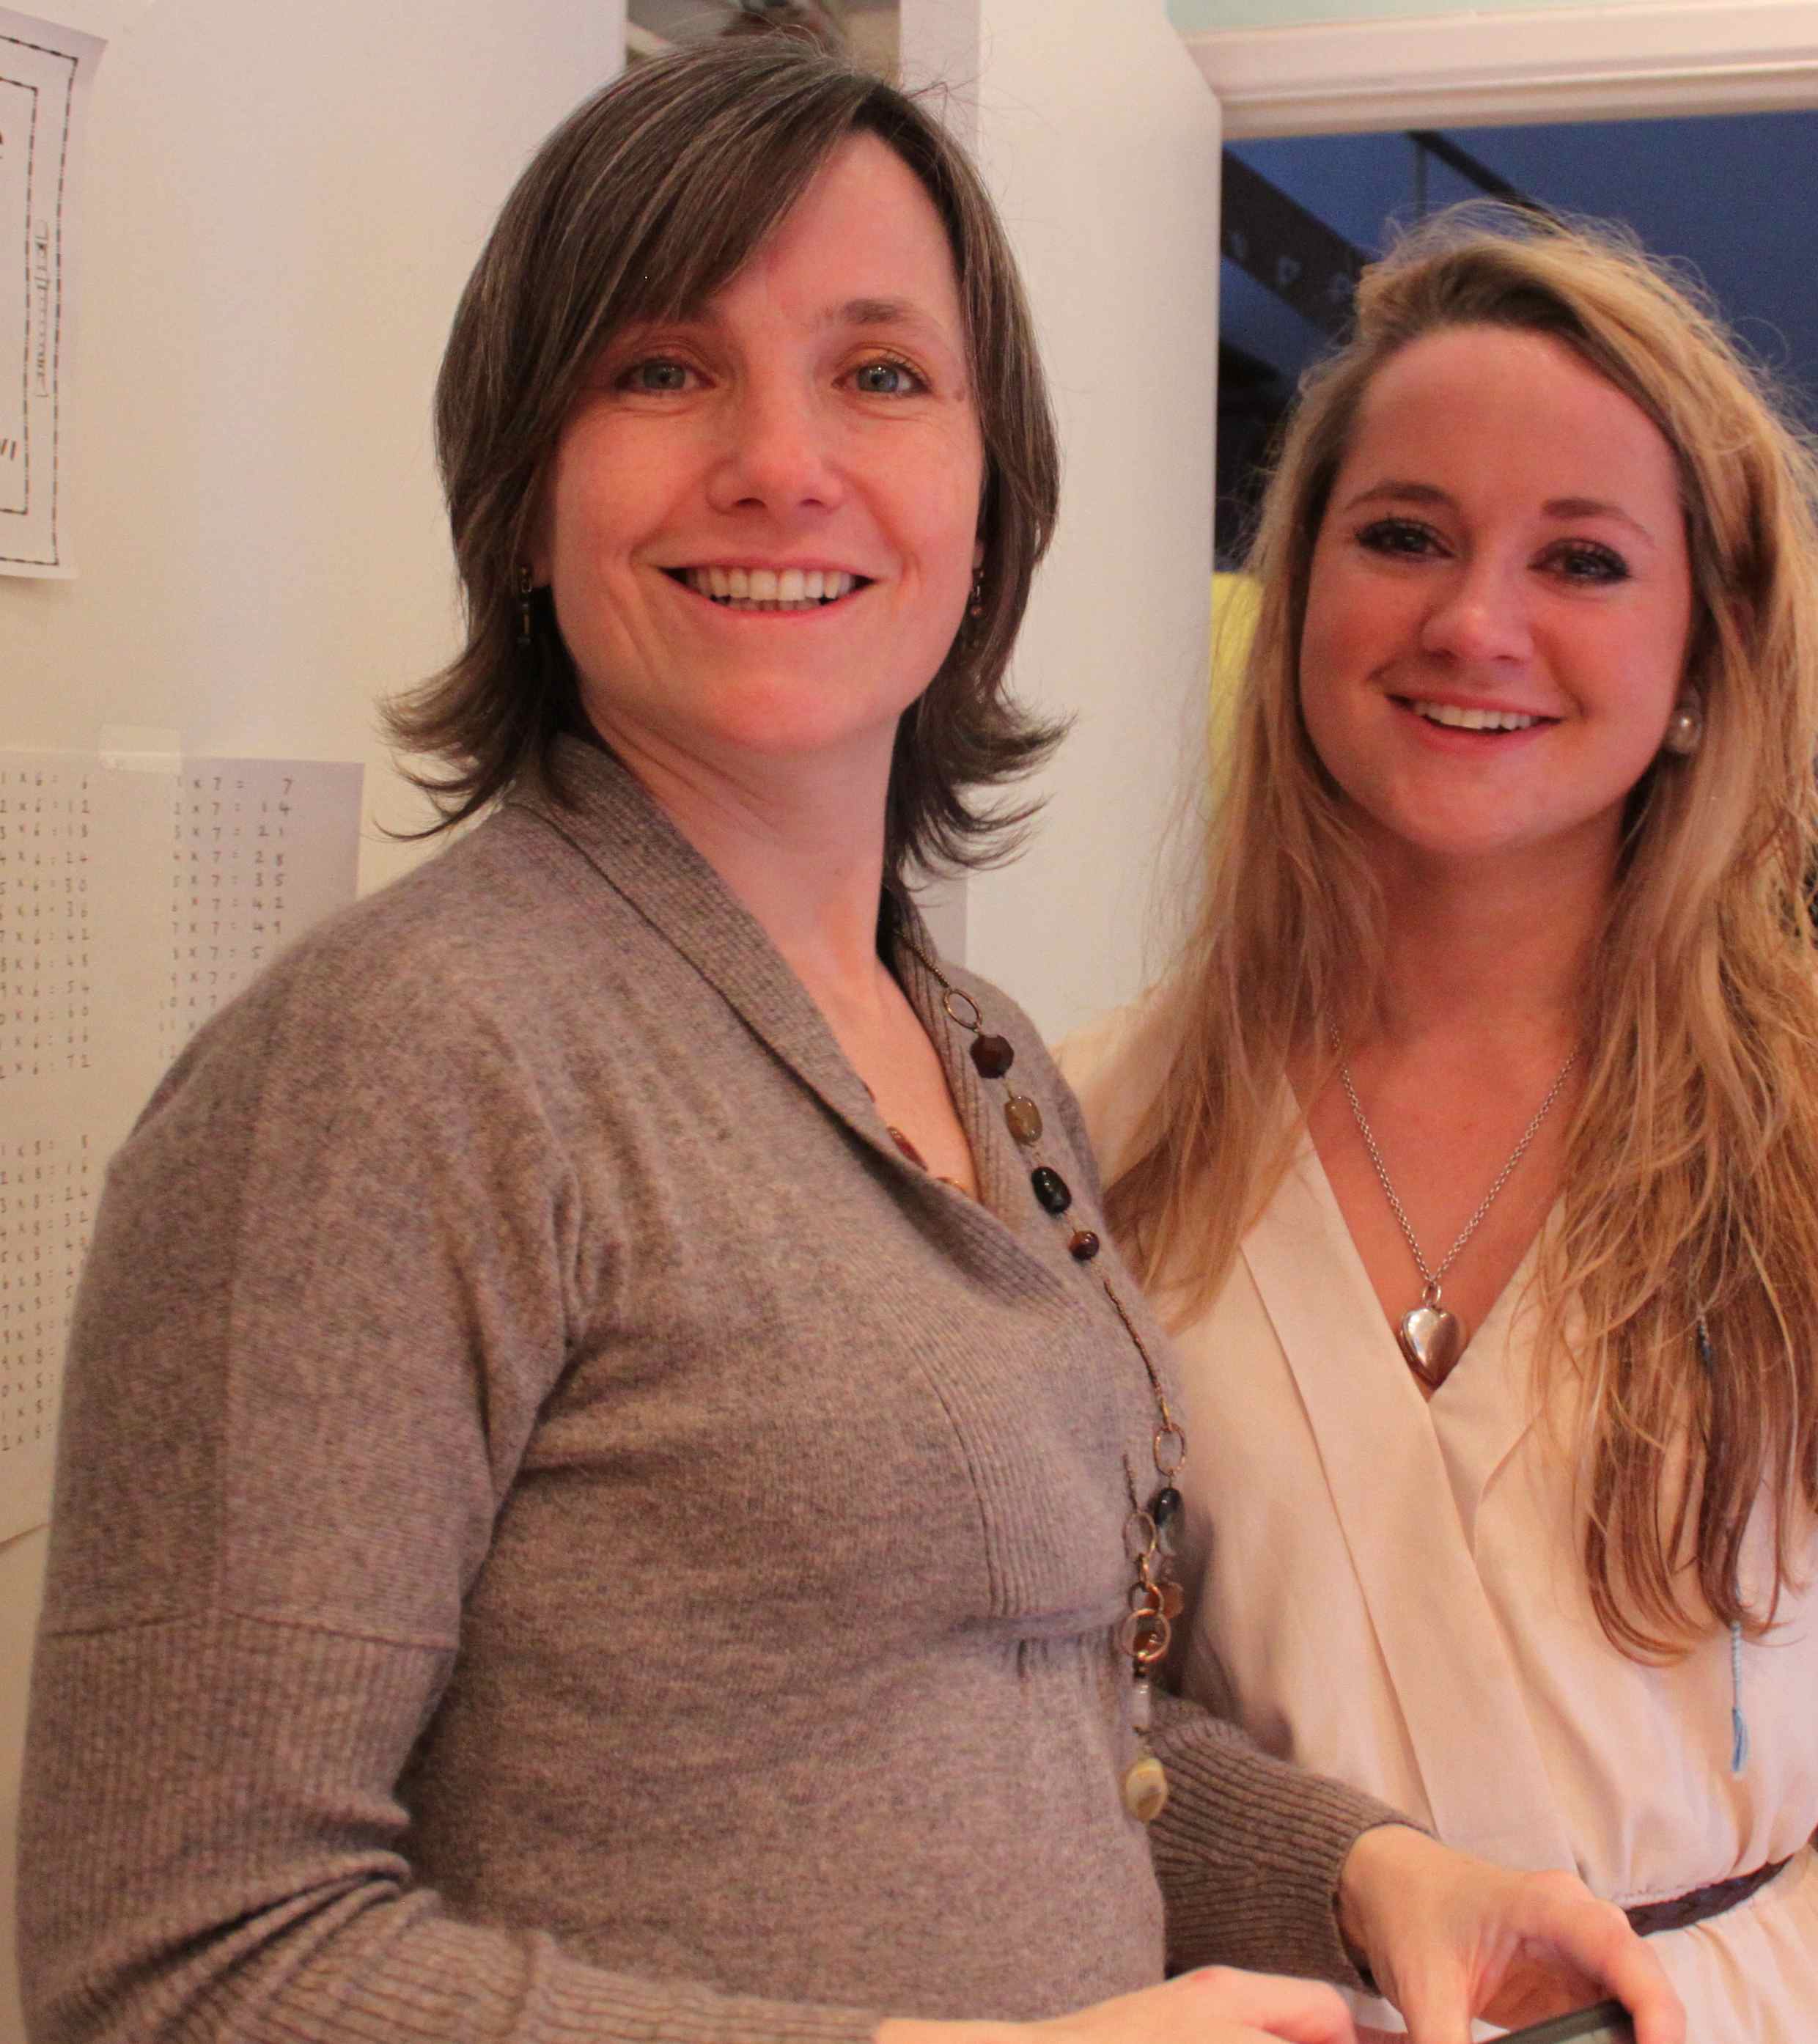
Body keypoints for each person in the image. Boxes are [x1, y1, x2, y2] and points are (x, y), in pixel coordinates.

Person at [15, 47, 1685, 2044]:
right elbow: (174, 1962)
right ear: (523, 497)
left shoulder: (985, 1059)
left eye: (880, 373)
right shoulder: (397, 1068)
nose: (781, 461)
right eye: (662, 369)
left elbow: (1037, 1715)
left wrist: (1359, 1866)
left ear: (987, 505)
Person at [1061, 210, 1818, 2044]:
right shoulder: (1095, 1125)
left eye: (1582, 558)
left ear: (1706, 652)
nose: (1474, 623)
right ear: (1295, 594)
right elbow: (1054, 1731)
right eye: (1404, 535)